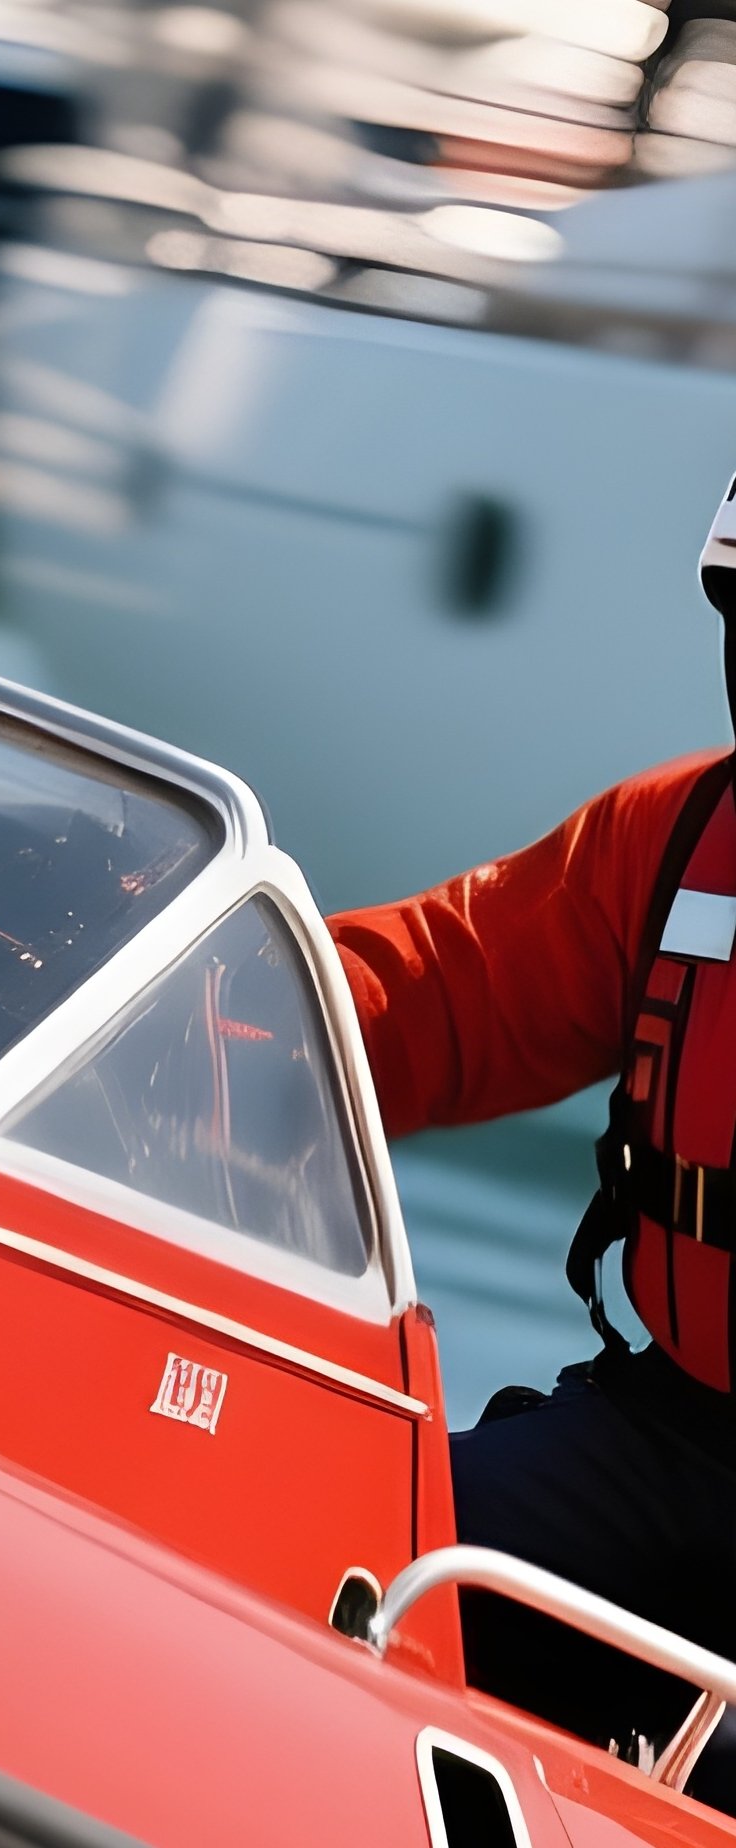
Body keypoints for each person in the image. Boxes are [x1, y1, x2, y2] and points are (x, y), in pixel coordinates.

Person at [328, 478, 736, 1793]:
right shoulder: (675, 841)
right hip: (663, 1437)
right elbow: (434, 989)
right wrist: (179, 985)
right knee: (343, 1564)